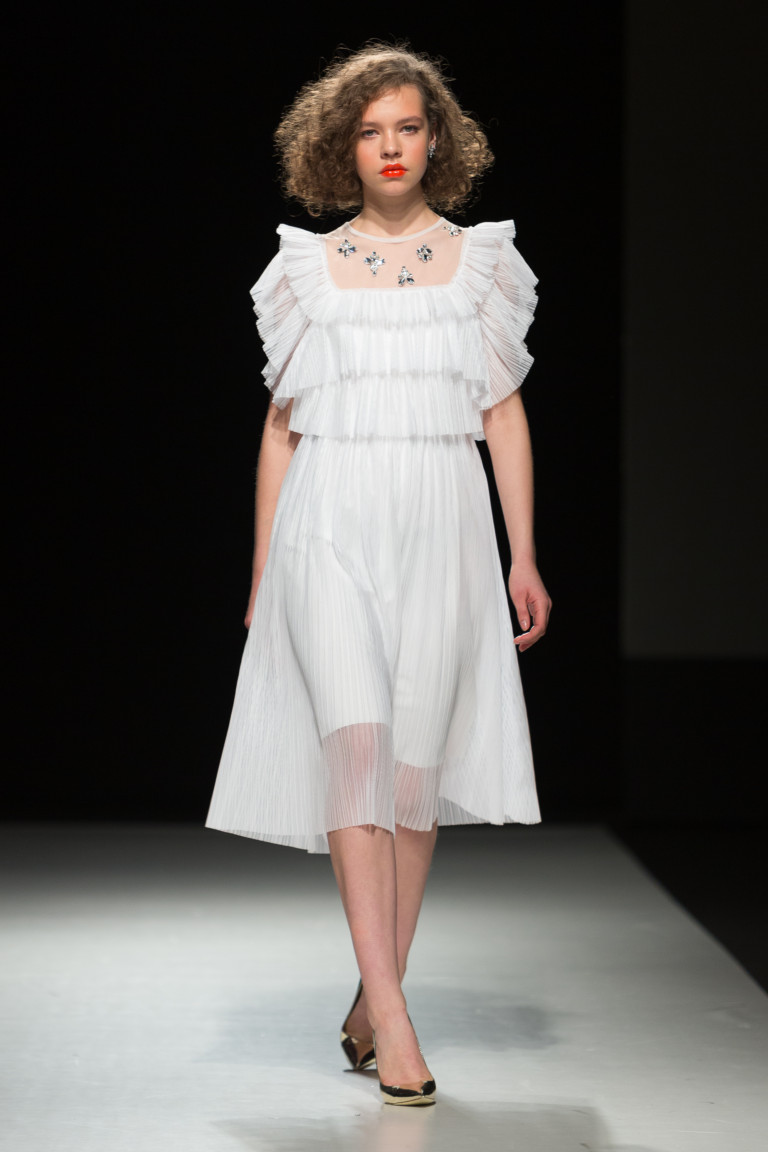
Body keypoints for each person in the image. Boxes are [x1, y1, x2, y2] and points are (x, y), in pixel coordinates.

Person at [206, 43, 551, 1106]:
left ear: (436, 139)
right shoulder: (306, 270)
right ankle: (394, 1016)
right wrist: (263, 569)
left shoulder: (482, 264)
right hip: (329, 525)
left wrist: (523, 554)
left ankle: (373, 994)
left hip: (443, 523)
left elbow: (502, 414)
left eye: (407, 127)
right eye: (369, 131)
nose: (390, 146)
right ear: (341, 147)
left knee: (411, 778)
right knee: (356, 754)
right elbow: (281, 428)